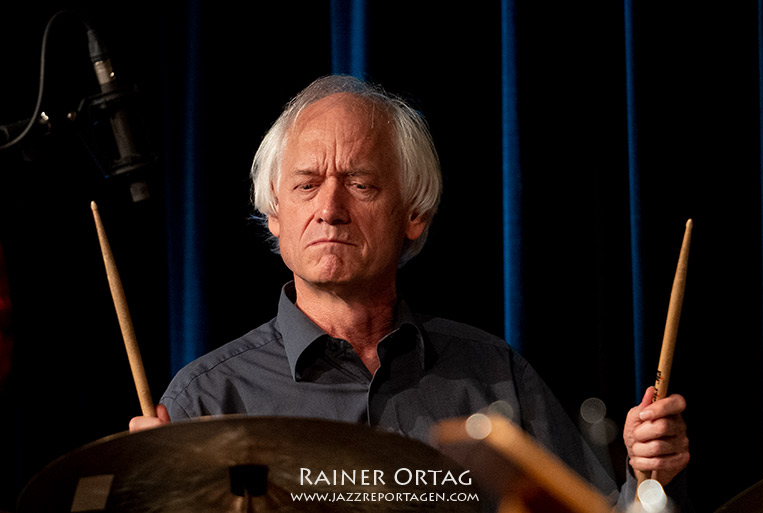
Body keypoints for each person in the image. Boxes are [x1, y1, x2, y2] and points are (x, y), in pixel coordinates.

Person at [130, 75, 690, 509]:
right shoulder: (206, 403)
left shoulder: (495, 376)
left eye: (360, 184)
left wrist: (645, 479)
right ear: (275, 215)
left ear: (415, 213)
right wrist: (141, 499)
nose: (328, 209)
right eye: (306, 185)